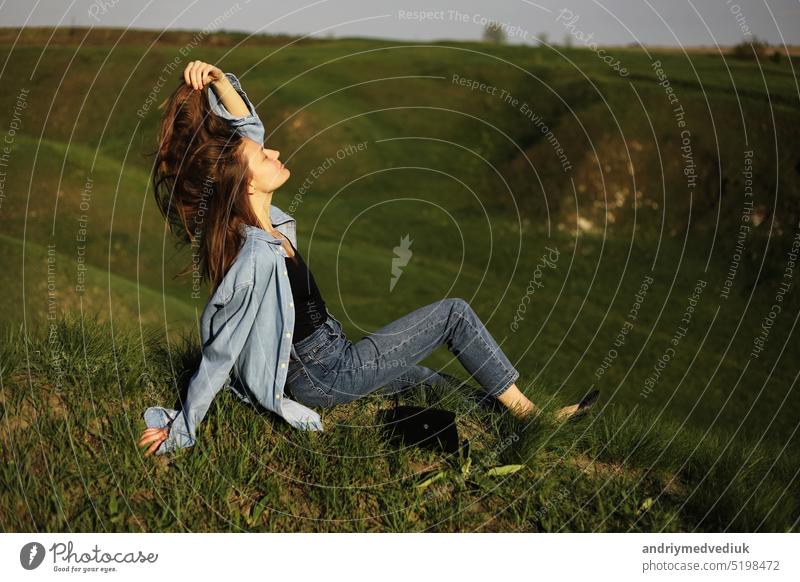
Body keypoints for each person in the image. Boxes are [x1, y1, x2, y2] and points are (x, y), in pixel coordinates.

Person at [138, 61, 598, 457]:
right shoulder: (255, 254)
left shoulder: (268, 221)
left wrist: (217, 79)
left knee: (419, 377)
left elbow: (247, 132)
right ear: (247, 183)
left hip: (333, 355)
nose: (273, 150)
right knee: (454, 315)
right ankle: (535, 417)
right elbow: (221, 351)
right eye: (263, 156)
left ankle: (506, 418)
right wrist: (183, 427)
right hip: (321, 374)